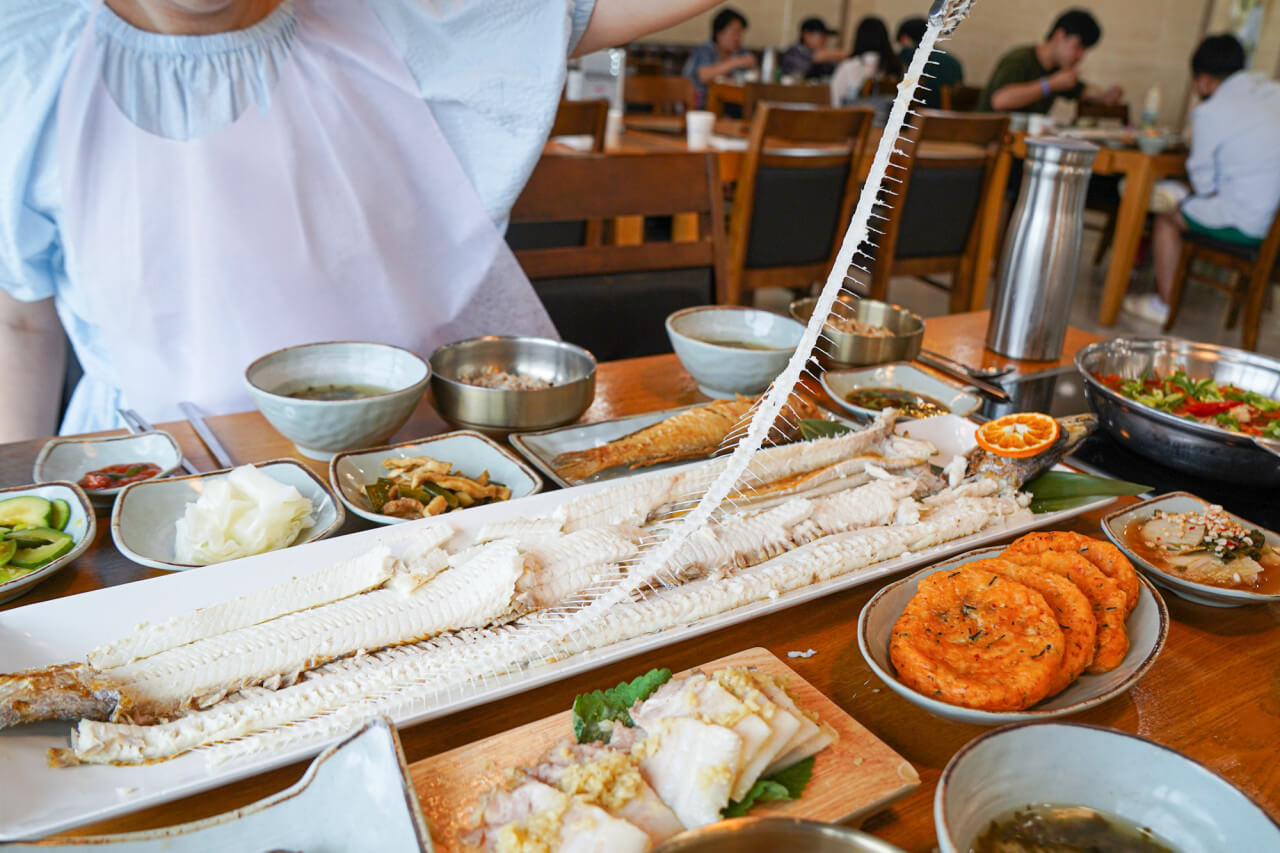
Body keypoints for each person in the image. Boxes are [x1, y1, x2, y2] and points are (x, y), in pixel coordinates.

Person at [0, 0, 725, 440]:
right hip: (151, 478)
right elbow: (20, 321)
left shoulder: (405, 18)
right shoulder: (28, 56)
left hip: (410, 469)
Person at [1124, 34, 1280, 326]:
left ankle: (1164, 304)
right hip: (1274, 224)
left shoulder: (1211, 112)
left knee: (1166, 211)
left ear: (1204, 80)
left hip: (1247, 225)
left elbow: (1206, 187)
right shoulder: (1274, 93)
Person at [978, 9, 1122, 113]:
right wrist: (1050, 84)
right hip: (988, 143)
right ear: (1059, 35)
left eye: (1085, 51)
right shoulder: (1020, 59)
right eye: (1077, 47)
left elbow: (1083, 91)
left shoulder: (1057, 69)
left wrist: (1105, 95)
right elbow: (1000, 101)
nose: (1080, 56)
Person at [682, 7, 756, 109]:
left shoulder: (741, 52)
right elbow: (704, 75)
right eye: (735, 32)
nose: (738, 38)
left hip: (733, 105)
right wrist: (736, 62)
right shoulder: (706, 49)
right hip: (700, 105)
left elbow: (754, 75)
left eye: (741, 33)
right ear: (719, 33)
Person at [830, 16, 904, 107]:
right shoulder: (896, 66)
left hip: (855, 118)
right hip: (887, 119)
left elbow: (834, 100)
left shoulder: (849, 66)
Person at [895, 16, 963, 109]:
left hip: (917, 115)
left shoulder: (907, 54)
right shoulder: (953, 61)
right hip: (948, 118)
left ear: (904, 38)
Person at [779, 16, 846, 81]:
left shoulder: (824, 57)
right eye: (822, 36)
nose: (825, 40)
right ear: (806, 35)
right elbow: (815, 57)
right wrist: (840, 54)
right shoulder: (795, 51)